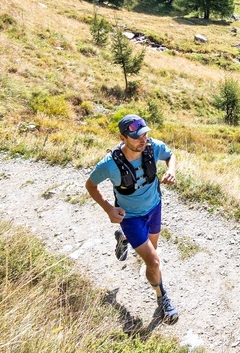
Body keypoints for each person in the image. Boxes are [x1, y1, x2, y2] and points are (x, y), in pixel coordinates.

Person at [85, 114, 180, 324]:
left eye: (144, 134)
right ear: (122, 138)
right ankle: (162, 297)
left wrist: (171, 171)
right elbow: (90, 186)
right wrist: (109, 209)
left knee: (152, 252)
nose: (143, 140)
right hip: (130, 217)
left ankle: (124, 238)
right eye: (136, 137)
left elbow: (170, 155)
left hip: (154, 208)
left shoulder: (153, 147)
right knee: (154, 262)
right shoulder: (109, 165)